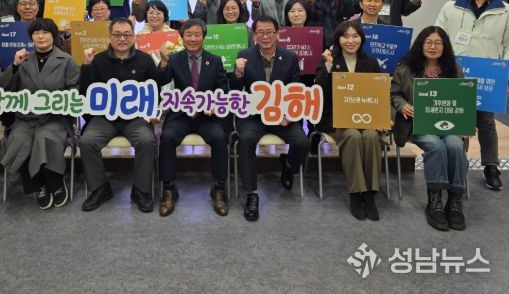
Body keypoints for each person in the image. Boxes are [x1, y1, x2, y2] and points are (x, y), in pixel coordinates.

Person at [436, 0, 507, 191]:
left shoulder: (505, 10)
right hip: (455, 73)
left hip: (489, 75)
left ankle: (491, 167)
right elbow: (439, 38)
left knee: (486, 121)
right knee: (457, 119)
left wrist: (504, 74)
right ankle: (459, 165)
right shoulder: (451, 7)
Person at [229, 16, 309, 221]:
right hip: (254, 116)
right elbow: (235, 91)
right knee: (245, 140)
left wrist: (289, 114)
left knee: (302, 142)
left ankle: (288, 166)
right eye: (260, 33)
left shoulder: (289, 57)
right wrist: (237, 73)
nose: (265, 37)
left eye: (269, 32)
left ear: (277, 34)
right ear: (254, 35)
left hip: (282, 116)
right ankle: (251, 194)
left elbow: (296, 89)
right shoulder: (245, 55)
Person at [391, 26, 468, 230]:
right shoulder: (405, 68)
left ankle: (454, 200)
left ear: (445, 46)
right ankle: (435, 200)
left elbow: (464, 98)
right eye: (429, 42)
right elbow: (393, 94)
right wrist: (403, 105)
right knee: (436, 146)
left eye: (438, 43)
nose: (433, 46)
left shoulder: (454, 69)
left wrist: (465, 123)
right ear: (421, 44)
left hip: (449, 124)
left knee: (455, 146)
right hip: (418, 124)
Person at [0, 18, 80, 209]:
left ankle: (55, 184)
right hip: (25, 118)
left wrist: (51, 105)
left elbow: (74, 92)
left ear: (54, 35)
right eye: (36, 33)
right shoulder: (24, 59)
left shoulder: (66, 60)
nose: (40, 36)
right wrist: (15, 66)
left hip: (55, 118)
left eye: (45, 32)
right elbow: (3, 88)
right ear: (31, 37)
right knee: (19, 139)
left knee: (45, 137)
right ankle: (38, 186)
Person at [79, 18, 158, 213]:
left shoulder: (145, 60)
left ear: (133, 36)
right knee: (87, 141)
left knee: (147, 140)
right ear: (109, 37)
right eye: (117, 35)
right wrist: (87, 66)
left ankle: (141, 190)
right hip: (105, 118)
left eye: (126, 35)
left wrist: (153, 113)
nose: (122, 39)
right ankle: (100, 188)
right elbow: (86, 93)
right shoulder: (98, 60)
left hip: (136, 118)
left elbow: (154, 91)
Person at [155, 19, 230, 216]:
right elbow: (160, 81)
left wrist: (215, 104)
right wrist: (163, 63)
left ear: (204, 37)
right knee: (167, 138)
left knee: (220, 138)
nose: (193, 39)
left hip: (206, 115)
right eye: (188, 35)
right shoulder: (174, 59)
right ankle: (169, 189)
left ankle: (219, 189)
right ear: (182, 37)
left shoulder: (215, 60)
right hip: (181, 114)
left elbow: (223, 88)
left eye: (197, 34)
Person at [314, 21, 383, 221]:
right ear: (338, 40)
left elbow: (378, 95)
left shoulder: (371, 63)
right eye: (346, 36)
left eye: (355, 36)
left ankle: (370, 194)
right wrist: (327, 66)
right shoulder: (329, 60)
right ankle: (355, 193)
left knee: (371, 137)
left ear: (361, 39)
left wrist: (381, 118)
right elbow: (319, 92)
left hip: (366, 118)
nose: (350, 40)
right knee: (352, 136)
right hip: (337, 120)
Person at [136, 0, 183, 66]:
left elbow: (182, 54)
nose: (154, 16)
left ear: (164, 15)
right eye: (151, 13)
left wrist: (170, 52)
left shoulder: (173, 34)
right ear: (146, 15)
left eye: (158, 13)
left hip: (169, 69)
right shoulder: (139, 36)